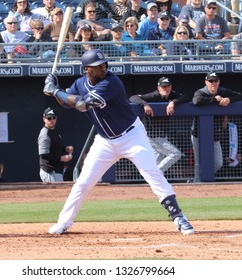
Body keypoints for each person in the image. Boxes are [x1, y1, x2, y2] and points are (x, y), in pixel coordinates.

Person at [43, 49, 194, 235]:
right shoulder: (80, 83)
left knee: (152, 173)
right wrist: (54, 92)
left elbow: (83, 105)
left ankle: (179, 217)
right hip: (105, 142)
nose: (103, 68)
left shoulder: (111, 82)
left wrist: (56, 91)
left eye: (104, 64)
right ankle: (63, 223)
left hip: (131, 136)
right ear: (86, 70)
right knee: (82, 183)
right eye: (97, 66)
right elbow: (66, 103)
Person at [191, 72, 242, 183]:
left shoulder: (223, 91)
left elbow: (239, 95)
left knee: (218, 163)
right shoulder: (201, 92)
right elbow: (196, 101)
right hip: (198, 132)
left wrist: (229, 99)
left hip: (215, 132)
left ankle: (202, 179)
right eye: (211, 81)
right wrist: (215, 99)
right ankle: (196, 183)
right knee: (198, 162)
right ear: (206, 82)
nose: (213, 83)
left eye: (215, 81)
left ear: (218, 82)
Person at [129, 77, 189, 172]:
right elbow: (133, 98)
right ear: (158, 88)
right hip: (152, 136)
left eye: (167, 86)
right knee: (175, 154)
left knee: (157, 162)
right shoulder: (154, 96)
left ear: (171, 87)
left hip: (162, 136)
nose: (166, 89)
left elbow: (185, 97)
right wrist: (145, 104)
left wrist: (173, 102)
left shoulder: (172, 95)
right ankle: (154, 175)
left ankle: (154, 181)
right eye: (163, 87)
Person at [38, 107, 73, 182]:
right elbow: (43, 154)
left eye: (54, 118)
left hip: (56, 170)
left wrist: (65, 149)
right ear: (44, 119)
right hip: (49, 170)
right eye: (49, 118)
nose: (52, 120)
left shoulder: (55, 131)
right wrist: (61, 158)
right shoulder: (45, 134)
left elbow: (55, 147)